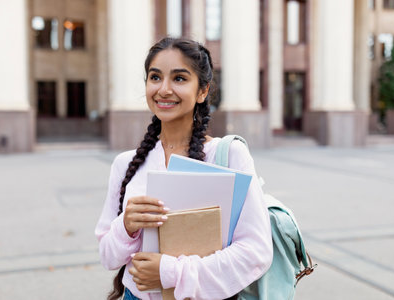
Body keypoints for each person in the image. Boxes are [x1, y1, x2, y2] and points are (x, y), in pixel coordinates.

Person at [95, 37, 272, 300]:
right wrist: (127, 225)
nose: (164, 89)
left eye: (179, 78)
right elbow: (108, 257)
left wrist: (170, 273)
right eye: (155, 77)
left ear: (202, 91)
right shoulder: (126, 164)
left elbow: (255, 253)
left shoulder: (229, 155)